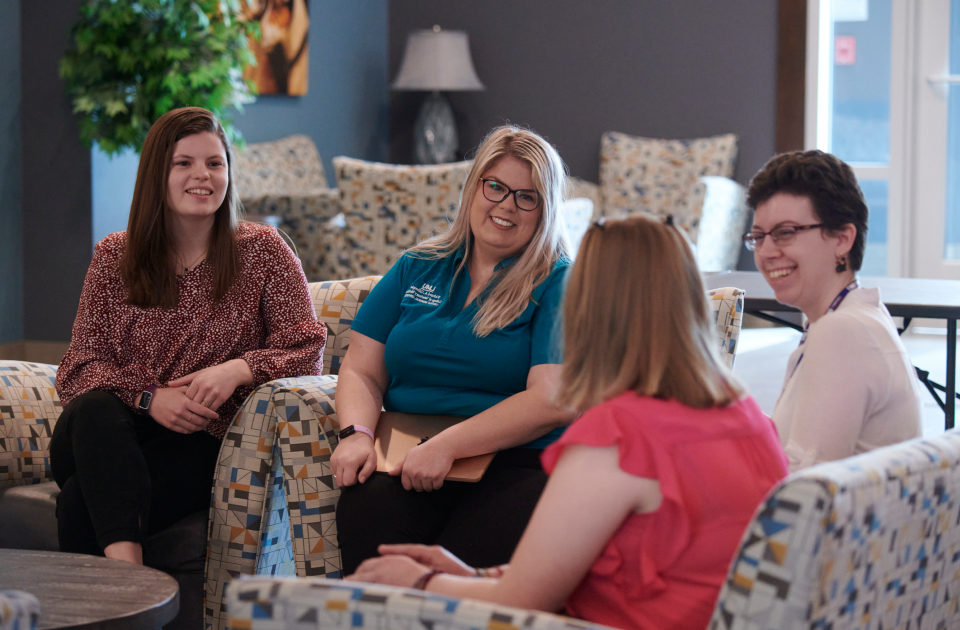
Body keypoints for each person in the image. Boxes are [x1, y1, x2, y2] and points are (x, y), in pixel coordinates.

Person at [346, 216, 789, 630]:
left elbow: (519, 602)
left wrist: (417, 582)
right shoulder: (746, 412)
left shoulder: (616, 437)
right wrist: (473, 576)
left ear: (588, 307)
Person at [52, 107, 327, 564]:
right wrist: (149, 397)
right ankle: (134, 590)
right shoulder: (114, 256)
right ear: (157, 173)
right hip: (107, 430)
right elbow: (80, 368)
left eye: (214, 163)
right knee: (95, 406)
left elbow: (307, 350)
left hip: (202, 441)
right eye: (184, 163)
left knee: (81, 502)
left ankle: (124, 584)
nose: (202, 176)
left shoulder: (263, 252)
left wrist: (238, 370)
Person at [331, 126, 575, 575]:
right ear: (474, 187)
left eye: (527, 196)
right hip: (406, 453)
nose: (506, 205)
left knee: (450, 584)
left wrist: (447, 446)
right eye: (496, 187)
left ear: (546, 210)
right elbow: (362, 370)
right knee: (368, 527)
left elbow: (551, 398)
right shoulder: (417, 265)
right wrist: (356, 436)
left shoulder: (558, 280)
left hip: (515, 464)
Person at [745, 150, 923, 472]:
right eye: (758, 237)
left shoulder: (842, 332)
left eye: (785, 233)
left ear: (842, 238)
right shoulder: (857, 316)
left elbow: (804, 488)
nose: (767, 252)